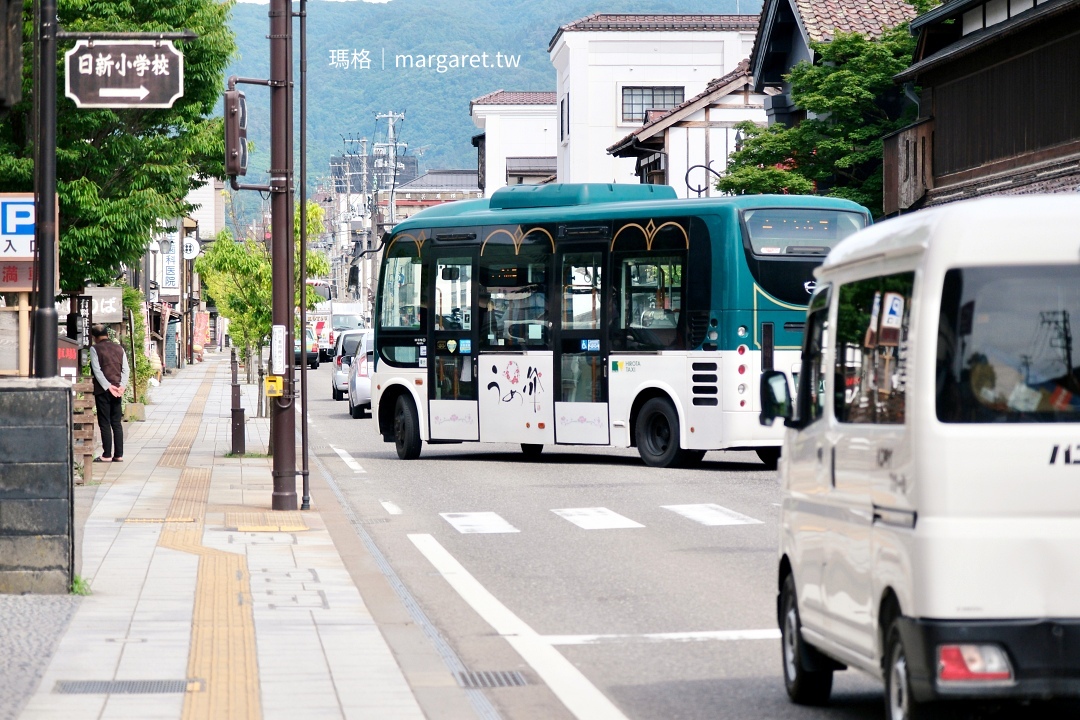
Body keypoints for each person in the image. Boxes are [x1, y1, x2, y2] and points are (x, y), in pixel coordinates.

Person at [89, 324, 129, 463]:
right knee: (116, 422)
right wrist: (121, 386)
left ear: (94, 337)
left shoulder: (95, 349)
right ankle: (119, 455)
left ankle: (106, 454)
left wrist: (107, 386)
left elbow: (97, 370)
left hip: (103, 391)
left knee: (105, 422)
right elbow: (126, 369)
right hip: (117, 390)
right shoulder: (119, 348)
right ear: (107, 334)